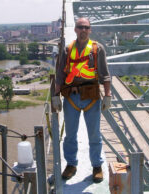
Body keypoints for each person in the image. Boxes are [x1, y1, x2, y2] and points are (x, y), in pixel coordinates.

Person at [52, 17, 111, 183]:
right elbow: (61, 75)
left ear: (90, 30)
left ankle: (97, 166)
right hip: (71, 96)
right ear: (76, 29)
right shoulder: (67, 49)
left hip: (91, 96)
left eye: (86, 27)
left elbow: (105, 74)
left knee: (94, 134)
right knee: (70, 135)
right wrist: (56, 95)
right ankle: (71, 164)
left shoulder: (97, 49)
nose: (83, 30)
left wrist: (108, 95)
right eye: (80, 27)